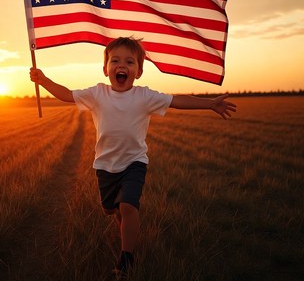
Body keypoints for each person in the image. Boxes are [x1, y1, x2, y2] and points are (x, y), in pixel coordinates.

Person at [29, 37, 236, 279]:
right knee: (112, 209)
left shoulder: (144, 96)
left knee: (128, 205)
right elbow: (66, 94)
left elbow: (177, 100)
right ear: (105, 69)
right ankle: (126, 222)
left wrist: (210, 103)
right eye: (115, 61)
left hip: (134, 163)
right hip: (106, 165)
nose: (122, 65)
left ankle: (126, 259)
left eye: (129, 61)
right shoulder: (97, 93)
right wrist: (43, 80)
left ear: (138, 71)